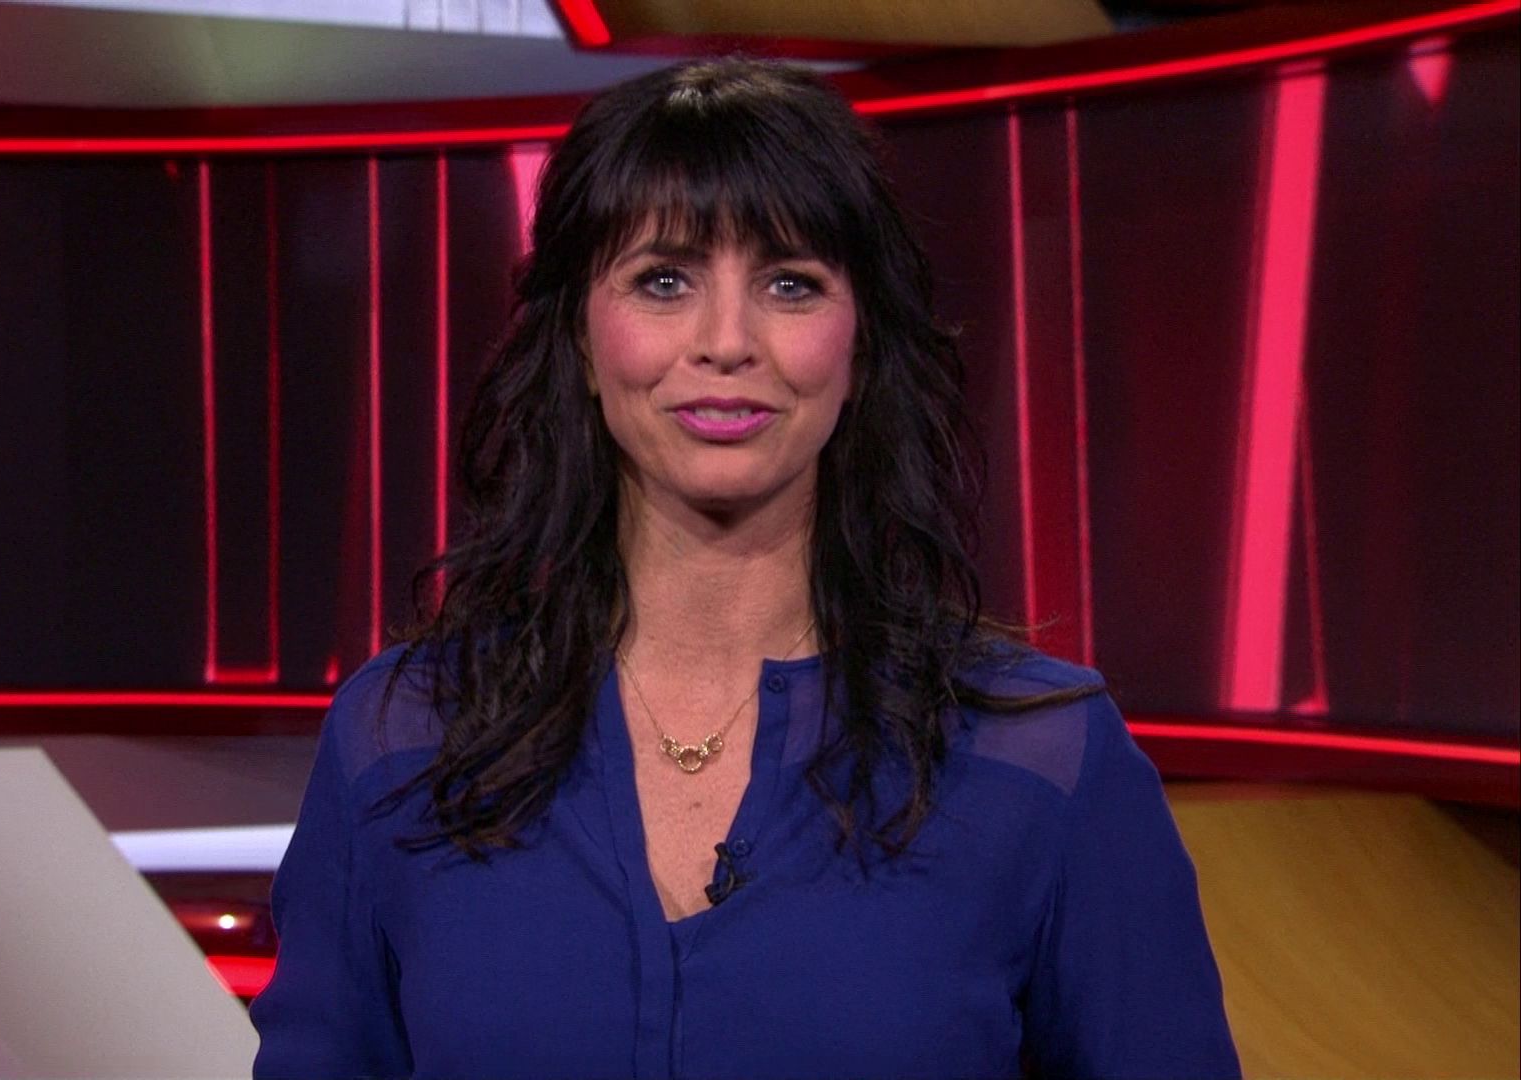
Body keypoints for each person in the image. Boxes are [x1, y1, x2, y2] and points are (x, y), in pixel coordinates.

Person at [251, 56, 1239, 1079]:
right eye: (664, 280)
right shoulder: (406, 740)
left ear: (859, 346)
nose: (727, 342)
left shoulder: (1043, 760)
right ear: (581, 338)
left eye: (789, 284)